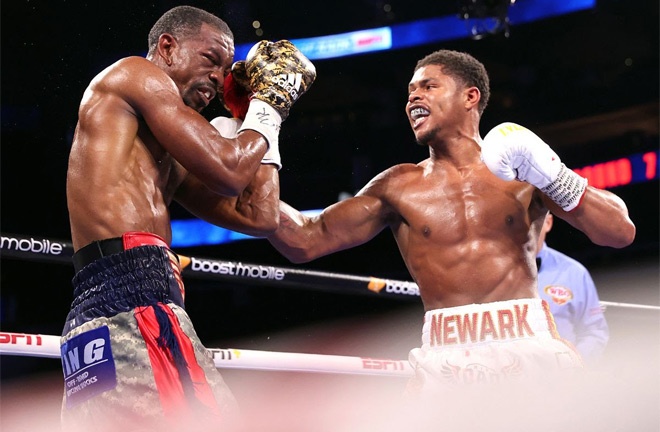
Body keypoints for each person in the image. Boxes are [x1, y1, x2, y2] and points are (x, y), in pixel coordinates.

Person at [266, 49, 635, 398]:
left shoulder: (524, 171)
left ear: (470, 97)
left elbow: (619, 232)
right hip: (446, 350)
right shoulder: (398, 185)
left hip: (527, 338)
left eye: (428, 86)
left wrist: (552, 175)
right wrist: (257, 136)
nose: (413, 98)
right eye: (410, 91)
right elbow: (305, 240)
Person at [61, 5, 316, 431]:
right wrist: (270, 103)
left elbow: (260, 215)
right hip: (135, 301)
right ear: (167, 47)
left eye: (224, 69)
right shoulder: (135, 74)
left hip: (105, 310)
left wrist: (251, 113)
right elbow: (232, 170)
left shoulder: (167, 156)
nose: (219, 78)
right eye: (210, 60)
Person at [536, 213, 609, 363]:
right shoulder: (489, 274)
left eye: (533, 219)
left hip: (565, 379)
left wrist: (574, 365)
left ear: (548, 223)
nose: (525, 227)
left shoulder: (573, 272)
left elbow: (595, 331)